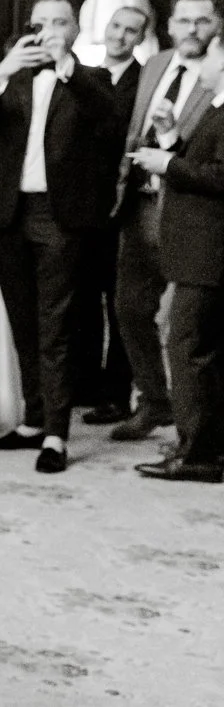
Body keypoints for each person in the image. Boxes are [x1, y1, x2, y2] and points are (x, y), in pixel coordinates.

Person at [0, 0, 117, 473]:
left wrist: (66, 67)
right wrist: (2, 70)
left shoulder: (92, 78)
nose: (49, 30)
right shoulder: (14, 75)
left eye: (59, 22)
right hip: (11, 213)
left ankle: (56, 434)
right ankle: (33, 419)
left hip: (60, 217)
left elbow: (107, 118)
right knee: (23, 323)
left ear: (74, 28)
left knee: (56, 329)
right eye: (41, 22)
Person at [110, 0, 220, 442]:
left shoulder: (217, 78)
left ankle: (197, 425)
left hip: (192, 211)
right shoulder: (154, 64)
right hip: (139, 204)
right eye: (184, 20)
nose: (192, 29)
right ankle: (155, 403)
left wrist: (170, 144)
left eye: (202, 21)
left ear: (216, 27)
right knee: (130, 307)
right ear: (169, 26)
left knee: (187, 326)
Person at [127, 35, 224, 483]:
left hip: (209, 250)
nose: (203, 58)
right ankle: (200, 443)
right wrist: (169, 137)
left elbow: (220, 176)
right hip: (197, 248)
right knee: (194, 347)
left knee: (187, 347)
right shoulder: (216, 107)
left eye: (213, 51)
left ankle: (198, 452)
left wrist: (166, 163)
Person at [79, 5, 149, 425]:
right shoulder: (83, 75)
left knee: (119, 301)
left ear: (141, 38)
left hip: (122, 204)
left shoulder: (144, 82)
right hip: (80, 206)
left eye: (131, 31)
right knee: (83, 298)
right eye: (116, 26)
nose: (120, 36)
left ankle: (117, 393)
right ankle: (84, 384)